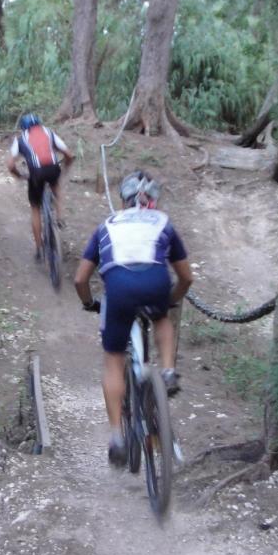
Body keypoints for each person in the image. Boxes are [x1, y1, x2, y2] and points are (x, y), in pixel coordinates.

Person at [73, 170, 193, 467]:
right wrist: (171, 300)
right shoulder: (163, 221)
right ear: (154, 200)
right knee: (162, 318)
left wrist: (90, 303)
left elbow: (80, 279)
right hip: (155, 283)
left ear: (123, 201)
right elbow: (186, 277)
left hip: (119, 290)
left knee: (114, 358)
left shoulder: (107, 225)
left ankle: (116, 436)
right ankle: (166, 371)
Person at [7, 113, 75, 260]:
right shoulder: (49, 132)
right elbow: (69, 154)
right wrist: (65, 169)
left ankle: (39, 248)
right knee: (56, 184)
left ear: (23, 127)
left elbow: (10, 165)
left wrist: (19, 175)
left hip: (35, 173)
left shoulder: (20, 139)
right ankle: (59, 217)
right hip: (53, 169)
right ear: (39, 123)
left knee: (35, 208)